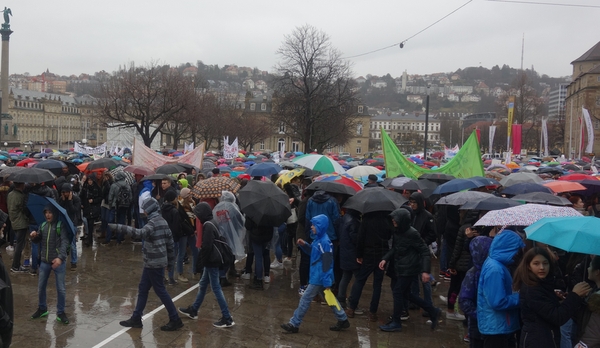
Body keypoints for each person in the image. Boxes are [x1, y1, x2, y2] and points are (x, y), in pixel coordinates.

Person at [108, 198, 183, 331]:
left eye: (144, 210)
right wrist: (170, 263)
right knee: (143, 288)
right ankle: (136, 318)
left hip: (154, 263)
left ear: (149, 210)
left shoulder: (153, 223)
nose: (143, 212)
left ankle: (175, 318)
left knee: (160, 291)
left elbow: (140, 233)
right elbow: (170, 244)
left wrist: (119, 227)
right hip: (154, 263)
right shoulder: (162, 221)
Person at [280, 214, 350, 333]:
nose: (311, 227)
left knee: (305, 299)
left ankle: (294, 324)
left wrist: (327, 281)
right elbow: (314, 253)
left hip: (319, 276)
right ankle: (342, 318)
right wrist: (305, 245)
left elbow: (327, 264)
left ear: (320, 226)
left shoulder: (324, 242)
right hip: (319, 276)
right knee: (329, 299)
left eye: (314, 225)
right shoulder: (319, 239)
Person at [378, 208, 441, 332]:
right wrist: (385, 259)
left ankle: (396, 321)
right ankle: (433, 311)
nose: (393, 221)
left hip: (409, 268)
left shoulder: (412, 233)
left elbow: (424, 251)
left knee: (397, 292)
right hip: (400, 267)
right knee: (407, 294)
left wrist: (425, 271)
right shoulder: (397, 232)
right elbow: (395, 248)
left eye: (395, 219)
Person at [513, 247, 590, 348]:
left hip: (545, 337)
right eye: (536, 263)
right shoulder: (531, 289)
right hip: (538, 340)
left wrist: (554, 296)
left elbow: (546, 307)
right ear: (528, 266)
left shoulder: (541, 284)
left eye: (545, 263)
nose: (542, 267)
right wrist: (574, 295)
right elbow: (557, 317)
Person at [178, 202, 235, 328]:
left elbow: (207, 247)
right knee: (203, 284)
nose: (197, 217)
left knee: (216, 288)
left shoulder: (208, 226)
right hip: (212, 260)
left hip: (211, 261)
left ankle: (227, 317)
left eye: (198, 214)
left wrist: (200, 263)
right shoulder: (211, 222)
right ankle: (194, 310)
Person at [477, 230, 524, 347]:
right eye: (516, 250)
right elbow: (497, 302)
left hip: (497, 326)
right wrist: (520, 297)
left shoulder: (496, 264)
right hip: (497, 328)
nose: (517, 254)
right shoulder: (495, 269)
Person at [346, 210, 392, 322]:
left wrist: (359, 254)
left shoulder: (366, 219)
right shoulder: (388, 219)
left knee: (360, 280)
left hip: (368, 254)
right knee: (377, 284)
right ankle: (373, 312)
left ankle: (352, 307)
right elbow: (390, 235)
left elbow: (361, 238)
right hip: (382, 255)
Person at [30, 205, 70, 325]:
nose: (47, 215)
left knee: (61, 288)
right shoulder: (43, 226)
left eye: (50, 212)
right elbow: (39, 240)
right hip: (44, 262)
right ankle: (42, 308)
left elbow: (65, 242)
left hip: (58, 262)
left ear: (55, 214)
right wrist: (34, 236)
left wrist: (60, 258)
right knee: (41, 286)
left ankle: (61, 312)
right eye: (46, 213)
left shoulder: (60, 226)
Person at [459, 236, 493, 348]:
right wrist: (480, 314)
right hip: (477, 326)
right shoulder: (472, 274)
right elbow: (464, 301)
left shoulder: (490, 270)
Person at [574, 255, 600, 347]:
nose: (588, 269)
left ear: (597, 272)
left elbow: (594, 330)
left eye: (590, 266)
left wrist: (583, 345)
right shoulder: (594, 292)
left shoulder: (597, 300)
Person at [58, 183, 81, 271]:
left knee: (72, 244)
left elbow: (74, 210)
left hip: (72, 223)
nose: (66, 194)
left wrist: (69, 201)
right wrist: (63, 201)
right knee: (62, 242)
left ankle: (74, 262)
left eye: (67, 192)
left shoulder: (76, 199)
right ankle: (62, 259)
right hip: (63, 223)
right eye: (64, 192)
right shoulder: (61, 199)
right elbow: (60, 210)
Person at [104, 172, 131, 245]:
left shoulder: (114, 185)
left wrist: (110, 205)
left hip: (114, 206)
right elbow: (130, 197)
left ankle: (108, 239)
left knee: (110, 222)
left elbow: (110, 197)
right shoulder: (127, 185)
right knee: (121, 223)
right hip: (124, 206)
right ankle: (120, 239)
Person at [161, 190, 181, 285]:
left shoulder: (161, 209)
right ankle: (171, 278)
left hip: (163, 236)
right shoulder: (174, 211)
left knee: (163, 258)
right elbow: (177, 226)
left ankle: (162, 277)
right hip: (173, 238)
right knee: (172, 258)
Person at [7, 182, 28, 273]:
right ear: (21, 185)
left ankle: (16, 265)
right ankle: (16, 266)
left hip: (13, 221)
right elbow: (24, 209)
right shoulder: (20, 196)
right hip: (21, 223)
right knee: (20, 245)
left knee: (18, 244)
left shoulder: (10, 194)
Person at [80, 173, 102, 247]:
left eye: (91, 180)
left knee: (90, 224)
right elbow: (81, 196)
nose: (89, 182)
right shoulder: (85, 187)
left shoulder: (97, 188)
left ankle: (89, 239)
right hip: (87, 208)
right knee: (87, 223)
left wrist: (93, 200)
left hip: (93, 209)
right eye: (88, 180)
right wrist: (82, 203)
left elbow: (100, 198)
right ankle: (89, 238)